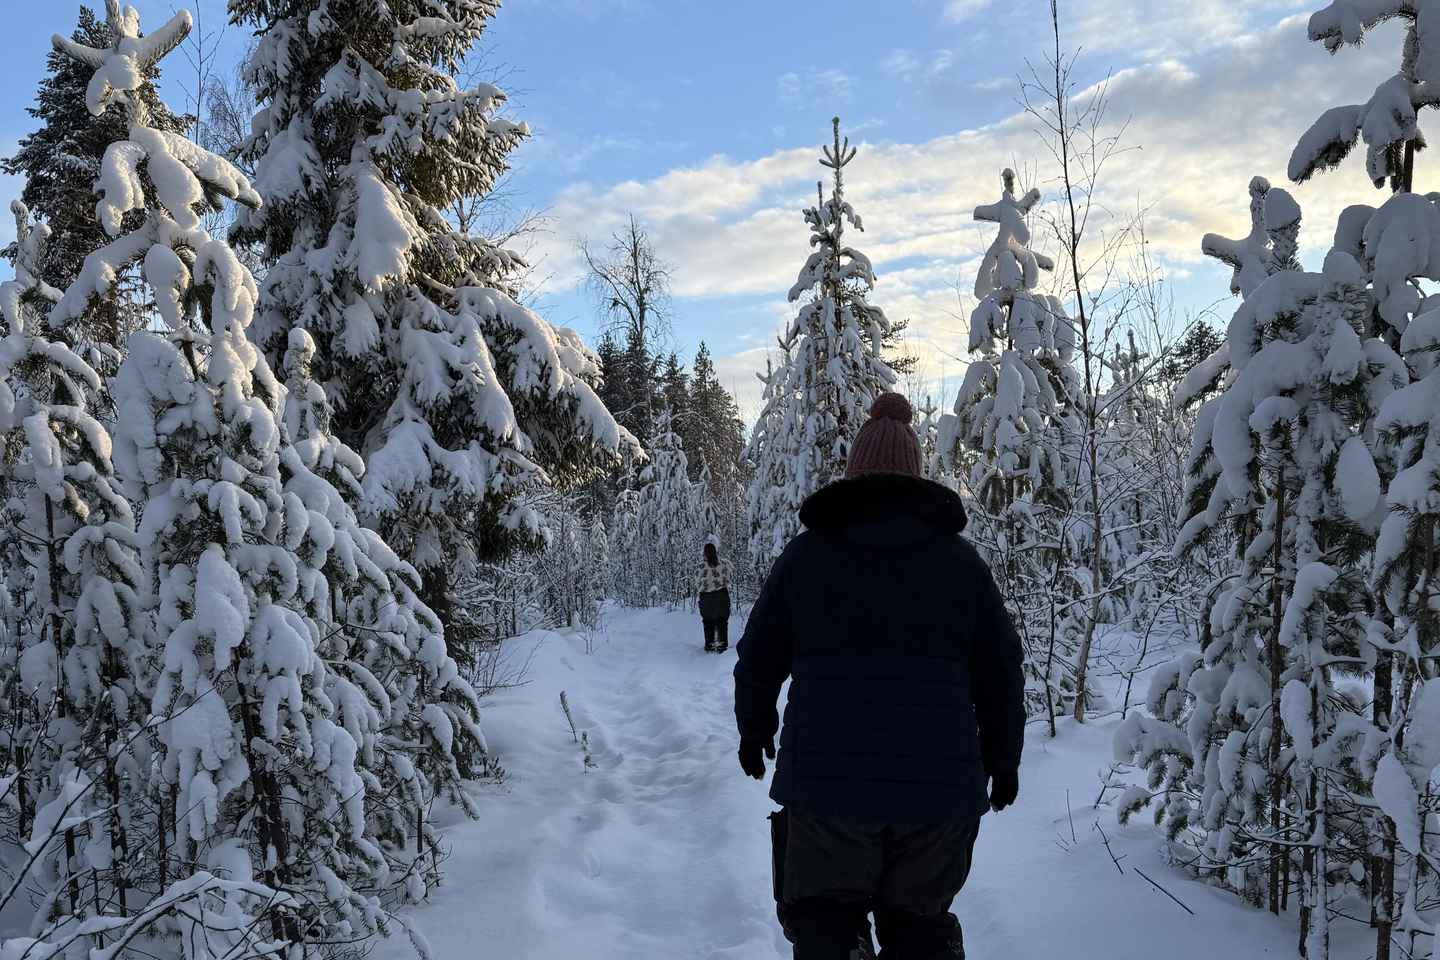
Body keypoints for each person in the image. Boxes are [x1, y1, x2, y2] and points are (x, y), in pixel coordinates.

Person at [734, 392, 1026, 960]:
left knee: (826, 928)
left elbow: (759, 654)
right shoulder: (962, 566)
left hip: (826, 792)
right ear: (915, 475)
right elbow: (1000, 673)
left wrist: (754, 726)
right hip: (938, 799)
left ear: (854, 473)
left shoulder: (806, 558)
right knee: (920, 931)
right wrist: (1003, 759)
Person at [697, 540, 734, 654]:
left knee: (708, 622)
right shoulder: (723, 564)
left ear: (705, 553)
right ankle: (722, 645)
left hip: (706, 598)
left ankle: (710, 644)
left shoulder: (701, 566)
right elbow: (728, 578)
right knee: (722, 621)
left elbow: (697, 583)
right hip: (721, 596)